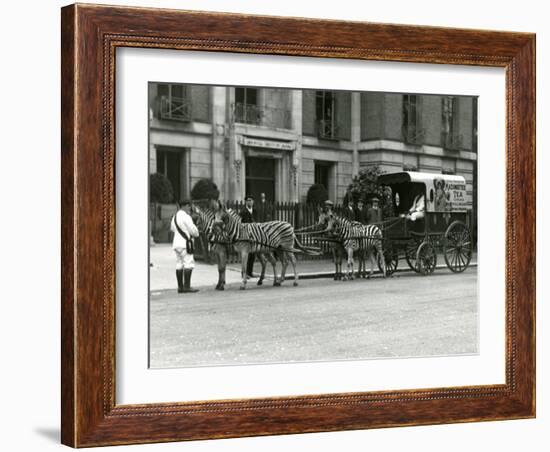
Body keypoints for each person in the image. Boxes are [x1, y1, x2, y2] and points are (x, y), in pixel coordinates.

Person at [171, 200, 200, 293]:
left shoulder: (174, 217)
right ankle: (187, 286)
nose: (189, 208)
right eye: (188, 206)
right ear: (185, 206)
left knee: (179, 264)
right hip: (185, 244)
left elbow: (172, 229)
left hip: (176, 243)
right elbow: (193, 231)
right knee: (188, 263)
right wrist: (196, 232)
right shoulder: (186, 217)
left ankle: (180, 287)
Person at [239, 195, 257, 278]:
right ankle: (243, 273)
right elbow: (240, 224)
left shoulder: (255, 211)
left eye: (251, 200)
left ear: (253, 201)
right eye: (248, 200)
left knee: (252, 254)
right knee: (245, 255)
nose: (249, 202)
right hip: (245, 236)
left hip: (254, 235)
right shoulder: (242, 212)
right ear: (245, 202)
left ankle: (250, 272)